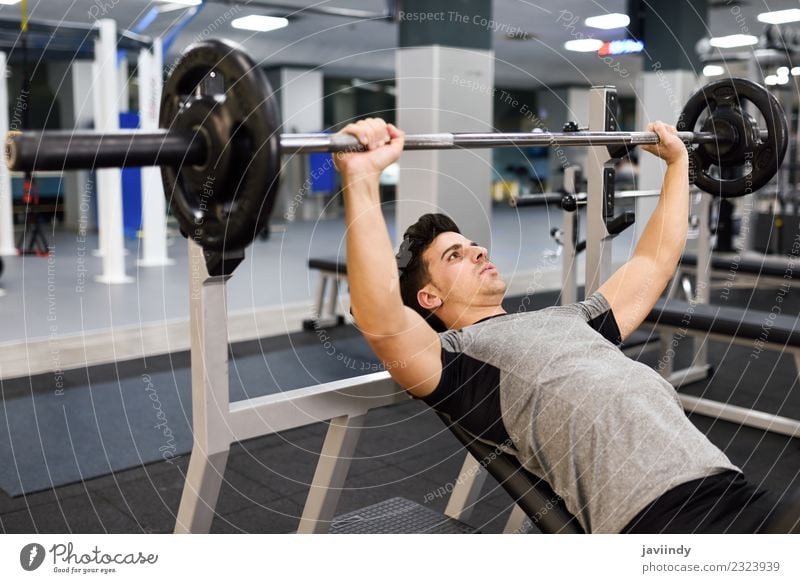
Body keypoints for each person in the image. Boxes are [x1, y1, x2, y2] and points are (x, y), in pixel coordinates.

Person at [333, 117, 797, 534]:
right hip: (660, 524)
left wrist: (679, 165)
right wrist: (362, 178)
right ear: (429, 298)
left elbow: (654, 261)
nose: (478, 251)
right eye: (454, 255)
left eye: (474, 244)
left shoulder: (572, 318)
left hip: (734, 490)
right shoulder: (458, 363)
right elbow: (381, 319)